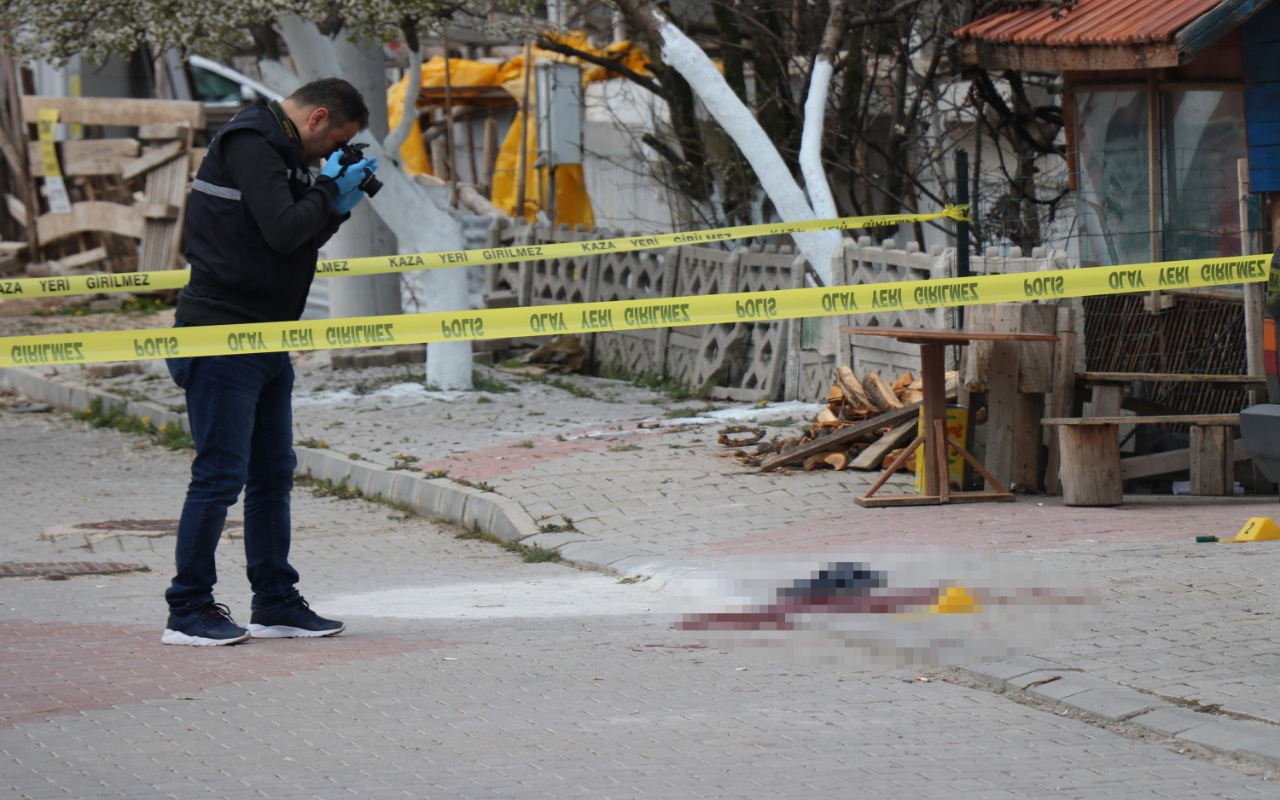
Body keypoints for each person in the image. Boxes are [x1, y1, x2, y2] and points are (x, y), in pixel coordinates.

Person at [161, 78, 379, 646]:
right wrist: (328, 191)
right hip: (219, 333)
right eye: (336, 142)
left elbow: (293, 236)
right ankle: (188, 608)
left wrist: (334, 206)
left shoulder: (283, 152)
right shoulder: (250, 142)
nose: (330, 155)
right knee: (219, 476)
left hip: (266, 335)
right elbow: (284, 232)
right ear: (318, 117)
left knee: (272, 474)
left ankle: (275, 602)